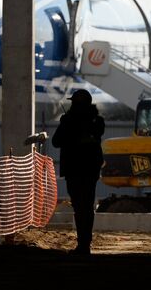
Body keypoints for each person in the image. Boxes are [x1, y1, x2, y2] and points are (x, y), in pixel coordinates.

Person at [51, 89, 105, 255]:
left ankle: (83, 245)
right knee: (87, 207)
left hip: (74, 170)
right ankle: (85, 244)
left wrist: (66, 122)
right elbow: (96, 132)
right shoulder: (97, 120)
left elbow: (56, 142)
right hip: (90, 171)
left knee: (80, 207)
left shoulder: (69, 120)